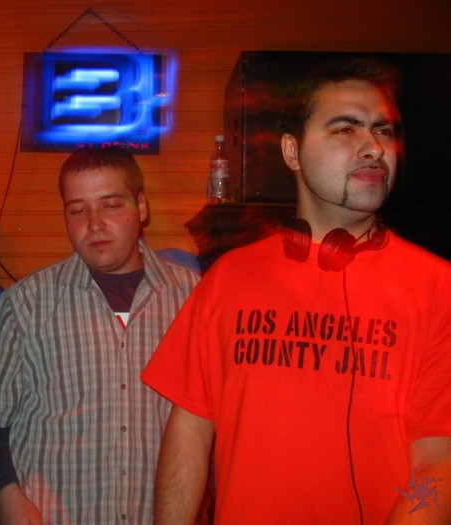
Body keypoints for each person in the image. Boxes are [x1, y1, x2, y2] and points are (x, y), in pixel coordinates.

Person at [141, 57, 451, 524]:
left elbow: (439, 464)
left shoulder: (439, 288)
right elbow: (189, 433)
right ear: (292, 151)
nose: (373, 147)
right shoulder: (228, 279)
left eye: (383, 131)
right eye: (345, 128)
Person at [0, 147, 199, 524]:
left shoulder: (193, 299)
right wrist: (7, 495)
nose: (95, 224)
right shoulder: (26, 304)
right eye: (77, 210)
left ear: (141, 207)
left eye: (111, 205)